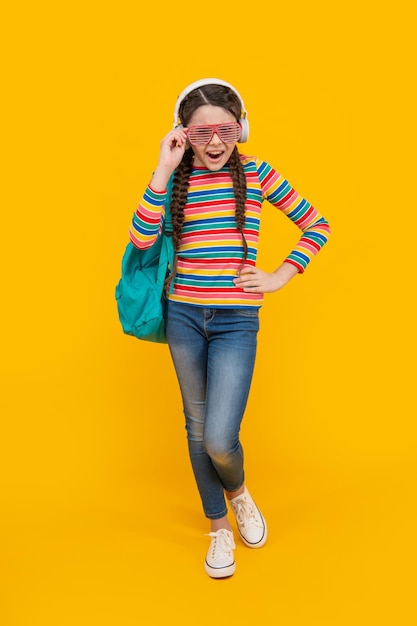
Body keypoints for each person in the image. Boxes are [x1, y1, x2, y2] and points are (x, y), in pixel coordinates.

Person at [128, 78, 331, 578]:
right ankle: (219, 526)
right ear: (182, 134)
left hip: (237, 321)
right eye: (201, 134)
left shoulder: (259, 173)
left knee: (220, 436)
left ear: (241, 130)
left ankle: (238, 491)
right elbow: (140, 236)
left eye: (225, 130)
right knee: (197, 430)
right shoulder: (176, 177)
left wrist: (279, 276)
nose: (215, 142)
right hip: (183, 318)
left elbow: (317, 224)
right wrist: (163, 167)